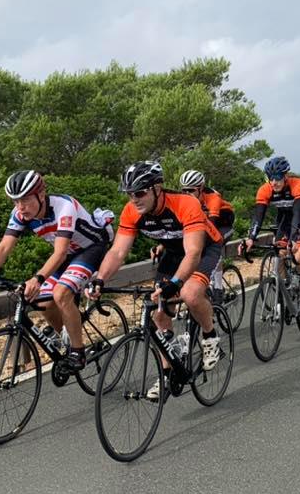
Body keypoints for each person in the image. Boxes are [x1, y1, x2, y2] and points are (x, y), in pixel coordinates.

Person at [90, 161, 224, 400]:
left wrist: (175, 283)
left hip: (204, 249)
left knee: (190, 293)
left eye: (140, 193)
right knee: (159, 311)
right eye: (130, 194)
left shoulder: (185, 203)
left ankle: (210, 336)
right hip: (173, 253)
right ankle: (166, 374)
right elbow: (118, 252)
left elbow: (193, 252)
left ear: (157, 188)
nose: (134, 199)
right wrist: (100, 279)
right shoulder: (131, 211)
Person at [0, 170, 114, 370]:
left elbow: (60, 253)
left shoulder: (64, 207)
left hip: (91, 249)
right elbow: (3, 248)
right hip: (68, 254)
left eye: (25, 199)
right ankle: (67, 335)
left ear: (41, 195)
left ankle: (78, 352)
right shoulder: (20, 214)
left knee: (61, 293)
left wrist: (37, 278)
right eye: (15, 201)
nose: (20, 207)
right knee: (43, 300)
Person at [242, 156, 300, 312]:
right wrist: (251, 238)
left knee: (297, 258)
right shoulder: (265, 189)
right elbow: (258, 216)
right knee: (278, 255)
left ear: (285, 176)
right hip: (285, 222)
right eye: (270, 178)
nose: (274, 182)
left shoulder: (298, 185)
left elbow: (297, 214)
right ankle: (284, 289)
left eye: (277, 177)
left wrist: (293, 239)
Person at [177, 169, 236, 303]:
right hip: (204, 224)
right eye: (184, 190)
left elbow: (212, 225)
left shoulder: (212, 198)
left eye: (191, 190)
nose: (187, 194)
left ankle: (218, 288)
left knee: (215, 244)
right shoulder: (185, 200)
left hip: (223, 224)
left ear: (201, 188)